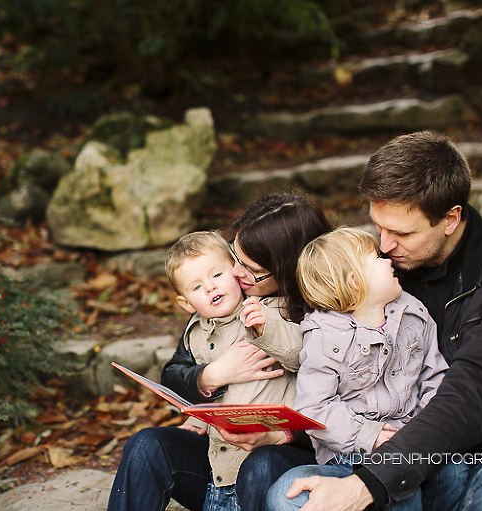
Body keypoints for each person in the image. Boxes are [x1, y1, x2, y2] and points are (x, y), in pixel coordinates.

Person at [272, 131, 482, 511]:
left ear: (450, 219)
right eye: (379, 227)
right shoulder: (380, 270)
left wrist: (371, 483)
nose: (385, 246)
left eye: (401, 233)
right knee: (287, 494)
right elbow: (338, 366)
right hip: (392, 450)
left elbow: (472, 396)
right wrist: (289, 432)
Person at [107, 193, 333, 511]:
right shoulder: (210, 318)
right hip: (221, 460)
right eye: (235, 259)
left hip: (287, 460)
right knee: (146, 444)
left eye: (248, 268)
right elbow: (174, 374)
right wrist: (210, 377)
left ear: (283, 269)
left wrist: (281, 435)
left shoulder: (298, 312)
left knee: (262, 463)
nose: (235, 274)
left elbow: (315, 371)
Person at [267, 227, 450, 511]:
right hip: (348, 456)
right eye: (377, 257)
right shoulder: (325, 336)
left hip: (409, 449)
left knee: (424, 482)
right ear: (355, 281)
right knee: (284, 493)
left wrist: (421, 435)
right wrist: (369, 435)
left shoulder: (413, 312)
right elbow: (314, 407)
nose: (388, 259)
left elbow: (434, 377)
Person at [158, 230, 303, 510]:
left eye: (216, 275)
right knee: (145, 443)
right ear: (186, 303)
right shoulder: (196, 332)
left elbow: (301, 353)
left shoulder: (270, 308)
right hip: (221, 465)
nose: (210, 287)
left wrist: (267, 327)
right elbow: (192, 385)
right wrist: (200, 417)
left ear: (237, 272)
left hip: (275, 453)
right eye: (197, 287)